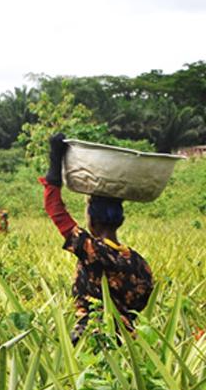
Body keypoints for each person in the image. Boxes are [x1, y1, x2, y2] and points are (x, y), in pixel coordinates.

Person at [40, 133, 153, 345]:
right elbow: (141, 301)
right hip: (128, 341)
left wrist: (55, 161)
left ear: (94, 221)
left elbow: (54, 208)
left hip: (93, 336)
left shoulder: (92, 249)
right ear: (120, 220)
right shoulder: (139, 262)